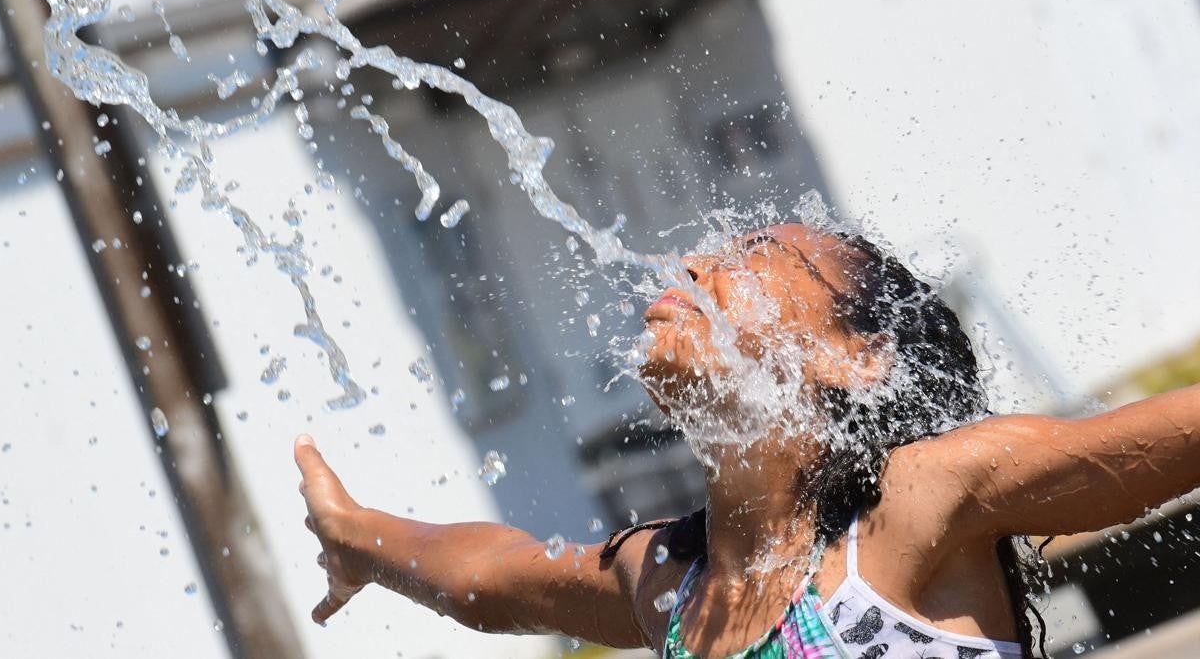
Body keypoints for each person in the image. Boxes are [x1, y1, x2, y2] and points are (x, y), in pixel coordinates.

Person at [294, 223, 1200, 658]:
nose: (690, 265)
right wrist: (359, 539)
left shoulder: (914, 508)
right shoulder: (671, 585)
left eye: (753, 251)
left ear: (859, 356)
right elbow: (488, 578)